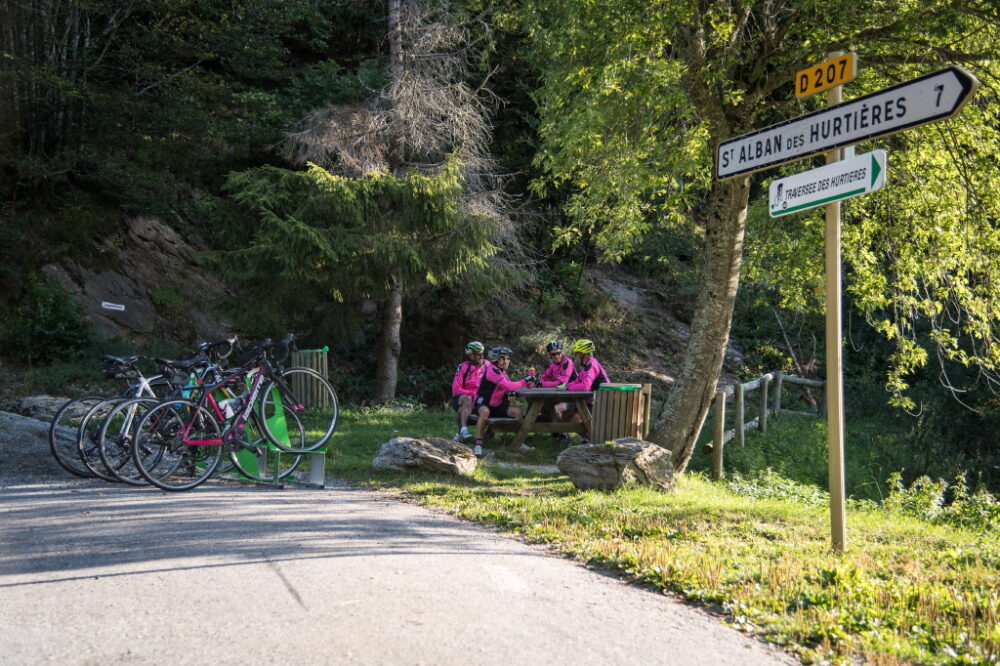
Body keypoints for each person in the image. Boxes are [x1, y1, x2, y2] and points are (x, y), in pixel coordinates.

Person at [471, 346, 530, 456]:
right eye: (507, 358)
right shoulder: (492, 370)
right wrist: (524, 380)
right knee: (485, 412)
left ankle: (518, 442)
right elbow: (509, 386)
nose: (509, 360)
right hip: (483, 404)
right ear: (500, 359)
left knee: (518, 411)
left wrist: (511, 393)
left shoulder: (502, 372)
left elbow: (509, 388)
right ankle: (478, 444)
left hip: (496, 406)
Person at [556, 338, 609, 443]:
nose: (577, 357)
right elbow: (577, 381)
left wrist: (567, 388)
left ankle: (592, 441)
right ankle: (588, 439)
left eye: (578, 354)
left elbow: (585, 386)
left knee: (570, 416)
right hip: (594, 401)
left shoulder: (591, 365)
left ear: (583, 354)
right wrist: (565, 385)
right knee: (566, 414)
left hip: (600, 404)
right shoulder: (588, 366)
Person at [450, 341, 488, 443]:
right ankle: (464, 431)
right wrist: (473, 394)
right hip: (460, 398)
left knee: (461, 411)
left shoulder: (487, 365)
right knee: (467, 399)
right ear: (471, 355)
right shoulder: (463, 367)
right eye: (478, 354)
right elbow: (456, 389)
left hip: (479, 400)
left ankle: (461, 433)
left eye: (482, 354)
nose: (481, 357)